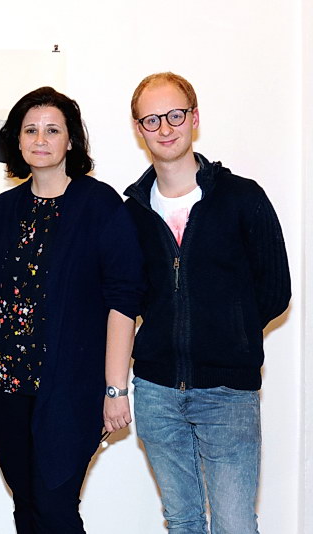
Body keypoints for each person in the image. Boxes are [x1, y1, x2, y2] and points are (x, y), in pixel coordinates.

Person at [0, 87, 144, 533]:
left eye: (52, 130)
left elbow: (123, 301)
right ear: (17, 140)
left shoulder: (100, 206)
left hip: (71, 390)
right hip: (5, 390)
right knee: (27, 507)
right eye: (30, 130)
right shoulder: (0, 212)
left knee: (55, 508)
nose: (40, 139)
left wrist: (115, 389)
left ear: (70, 141)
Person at [123, 72, 291, 533]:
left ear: (194, 118)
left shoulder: (242, 198)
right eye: (152, 119)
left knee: (235, 524)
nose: (165, 128)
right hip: (156, 391)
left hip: (227, 392)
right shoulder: (132, 211)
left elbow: (275, 290)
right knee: (183, 521)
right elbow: (128, 296)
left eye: (175, 115)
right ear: (139, 129)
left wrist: (230, 333)